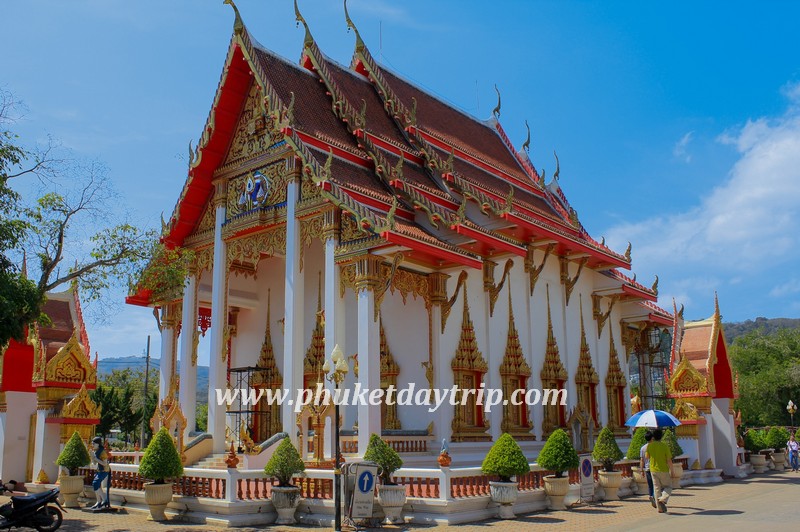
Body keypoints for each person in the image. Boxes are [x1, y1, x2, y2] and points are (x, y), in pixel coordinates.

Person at [645, 428, 672, 513]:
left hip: (653, 469)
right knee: (668, 486)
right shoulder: (664, 446)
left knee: (656, 488)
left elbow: (647, 457)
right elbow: (669, 460)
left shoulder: (650, 445)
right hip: (663, 469)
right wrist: (672, 470)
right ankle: (663, 498)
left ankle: (659, 508)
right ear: (661, 437)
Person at [89, 437, 111, 509]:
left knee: (95, 483)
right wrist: (92, 457)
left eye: (94, 443)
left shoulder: (102, 452)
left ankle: (104, 499)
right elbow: (95, 463)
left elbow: (104, 464)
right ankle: (98, 501)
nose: (92, 445)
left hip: (104, 470)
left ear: (98, 444)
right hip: (99, 470)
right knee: (96, 485)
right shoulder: (97, 451)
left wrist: (95, 458)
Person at [639, 431, 655, 508]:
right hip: (655, 468)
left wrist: (641, 470)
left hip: (647, 468)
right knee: (657, 484)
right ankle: (654, 497)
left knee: (650, 485)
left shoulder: (643, 448)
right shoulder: (654, 446)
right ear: (652, 438)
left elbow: (641, 460)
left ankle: (651, 496)